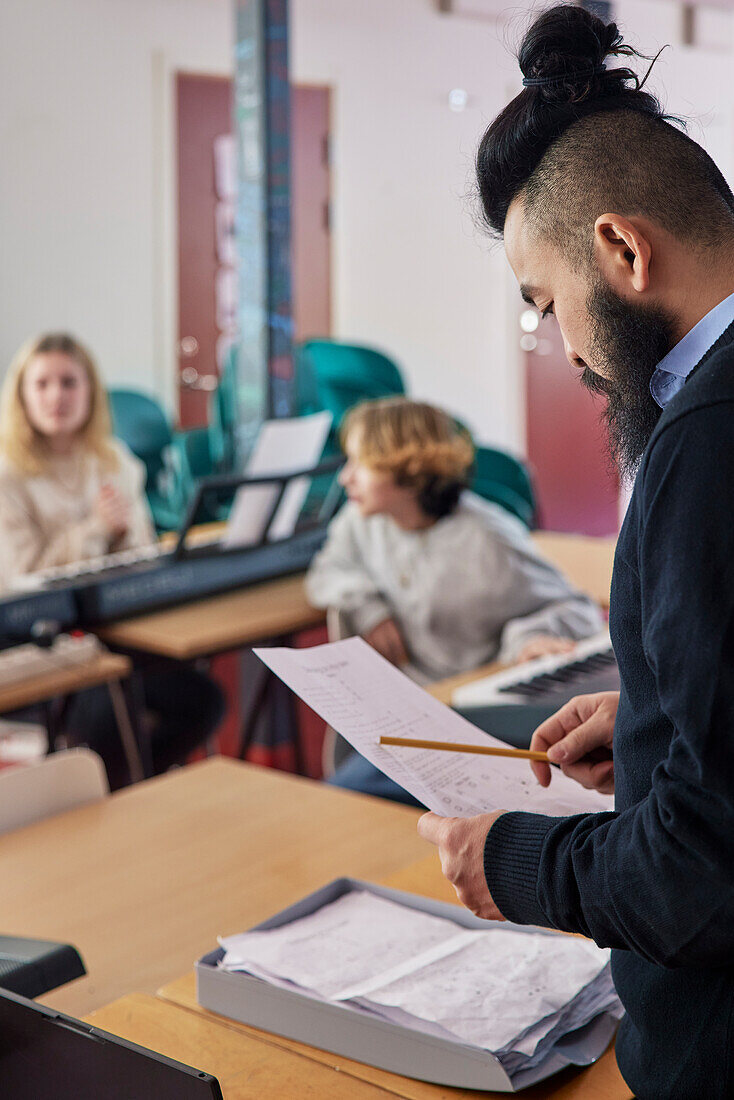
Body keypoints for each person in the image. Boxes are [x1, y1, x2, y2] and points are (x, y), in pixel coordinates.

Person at [416, 6, 734, 1098]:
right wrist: (652, 722)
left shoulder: (705, 439)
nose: (563, 348)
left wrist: (513, 861)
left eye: (546, 302)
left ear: (622, 248)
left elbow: (705, 869)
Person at [306, 396, 603, 802]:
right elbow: (328, 569)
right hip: (400, 717)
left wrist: (528, 638)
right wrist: (368, 605)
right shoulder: (359, 522)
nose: (345, 478)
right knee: (341, 798)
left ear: (406, 468)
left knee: (343, 799)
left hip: (471, 724)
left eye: (361, 464)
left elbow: (576, 609)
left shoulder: (487, 540)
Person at [0, 332, 224, 788]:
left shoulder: (114, 460)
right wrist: (95, 530)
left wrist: (123, 533)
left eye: (68, 383)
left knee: (202, 702)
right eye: (41, 384)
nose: (56, 396)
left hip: (116, 628)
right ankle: (110, 795)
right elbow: (20, 577)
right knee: (107, 721)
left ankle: (130, 789)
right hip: (40, 641)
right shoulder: (7, 472)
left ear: (90, 393)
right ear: (21, 394)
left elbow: (141, 561)